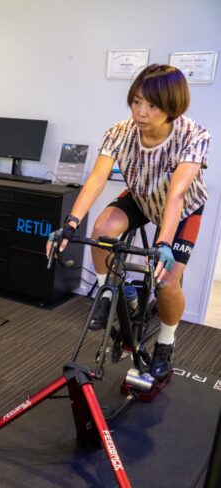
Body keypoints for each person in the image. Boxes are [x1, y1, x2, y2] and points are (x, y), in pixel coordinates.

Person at [48, 64, 210, 382]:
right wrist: (70, 223)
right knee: (101, 231)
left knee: (167, 282)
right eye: (136, 101)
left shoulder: (194, 135)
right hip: (139, 196)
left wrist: (164, 243)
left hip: (182, 207)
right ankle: (113, 295)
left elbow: (177, 194)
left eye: (152, 105)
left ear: (172, 107)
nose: (141, 112)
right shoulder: (119, 131)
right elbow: (96, 179)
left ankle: (166, 343)